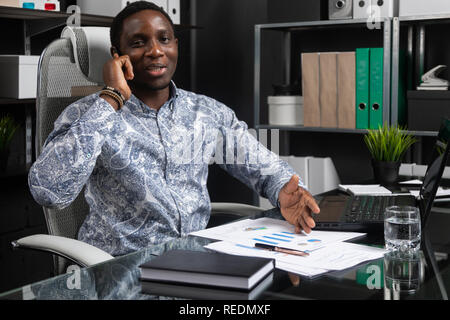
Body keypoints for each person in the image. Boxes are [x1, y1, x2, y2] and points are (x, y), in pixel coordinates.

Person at [28, 1, 320, 256]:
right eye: (139, 42)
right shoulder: (88, 114)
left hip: (194, 263)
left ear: (176, 46)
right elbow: (49, 191)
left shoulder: (207, 112)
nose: (155, 51)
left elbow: (259, 163)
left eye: (164, 39)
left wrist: (285, 190)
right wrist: (111, 98)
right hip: (120, 271)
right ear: (118, 55)